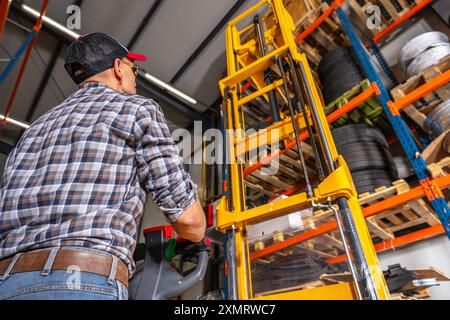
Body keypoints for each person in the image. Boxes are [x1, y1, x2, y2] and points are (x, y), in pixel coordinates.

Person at [0, 33, 206, 300]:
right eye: (135, 69)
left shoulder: (34, 129)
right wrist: (199, 229)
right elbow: (189, 221)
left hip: (9, 282)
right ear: (119, 68)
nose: (136, 77)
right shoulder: (137, 109)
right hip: (85, 281)